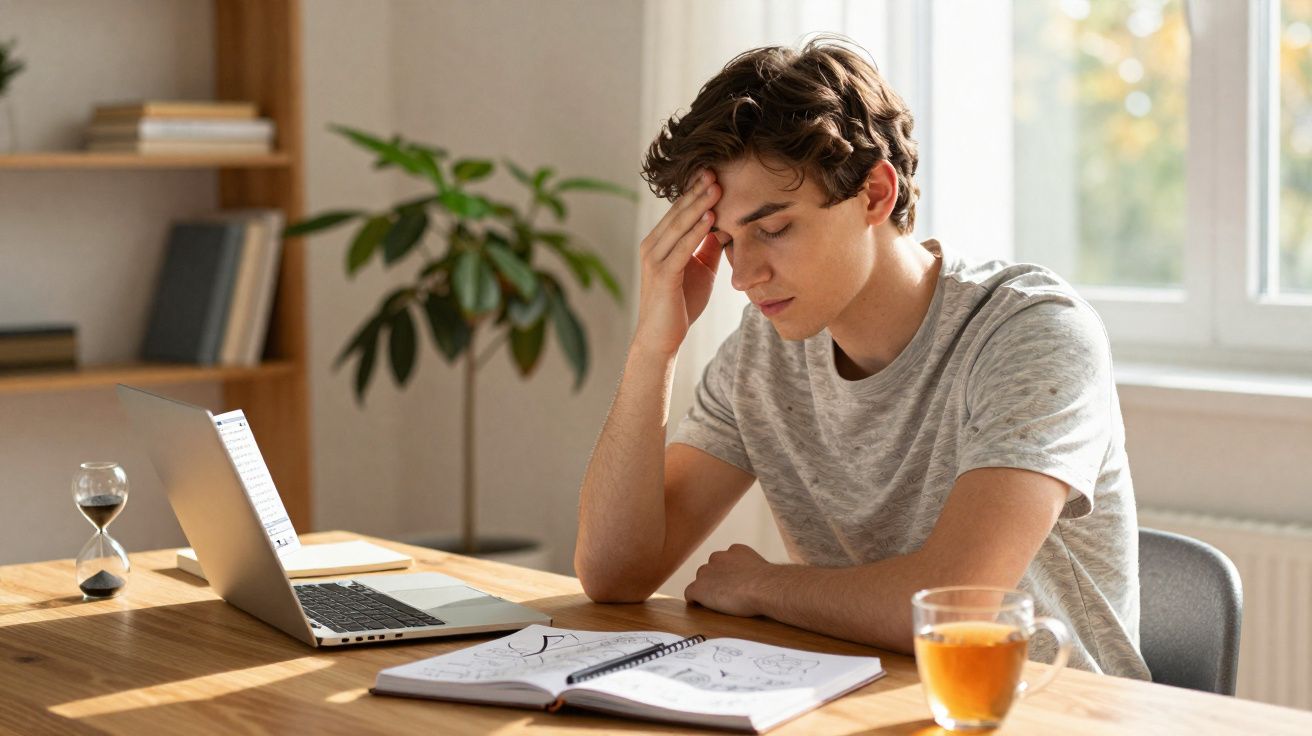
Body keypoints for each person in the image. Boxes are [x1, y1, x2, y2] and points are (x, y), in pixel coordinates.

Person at [573, 35, 1150, 679]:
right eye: (726, 241)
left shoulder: (1031, 333)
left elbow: (957, 612)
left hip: (1042, 713)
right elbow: (613, 573)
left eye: (773, 228)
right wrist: (656, 344)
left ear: (875, 194)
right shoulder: (762, 356)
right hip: (855, 703)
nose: (744, 274)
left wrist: (764, 587)